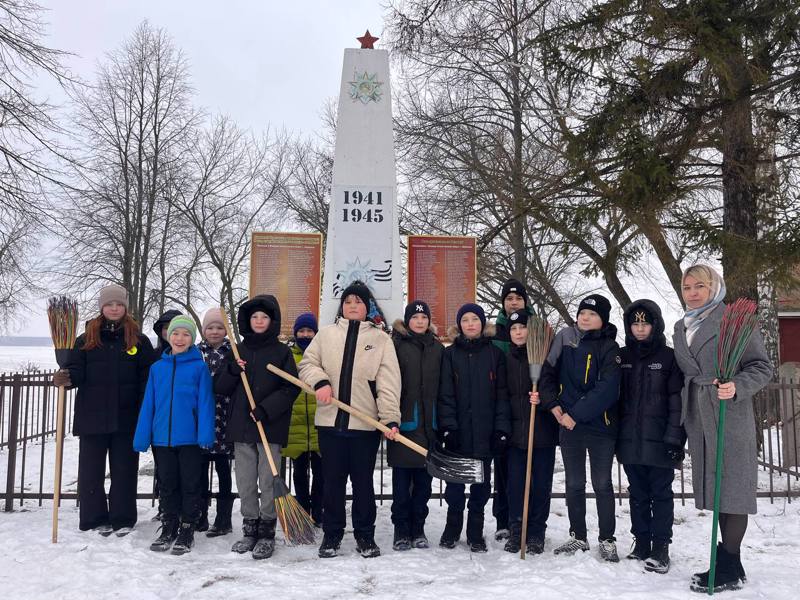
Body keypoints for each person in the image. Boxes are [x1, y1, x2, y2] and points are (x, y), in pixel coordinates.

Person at [672, 265, 772, 593]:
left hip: (730, 415)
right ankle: (732, 563)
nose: (693, 292)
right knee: (717, 492)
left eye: (700, 285)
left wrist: (736, 386)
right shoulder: (680, 327)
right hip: (699, 417)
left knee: (733, 492)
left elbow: (761, 366)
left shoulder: (735, 321)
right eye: (687, 287)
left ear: (715, 287)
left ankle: (727, 564)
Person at [298, 281, 401, 559]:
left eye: (358, 301)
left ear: (368, 307)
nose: (353, 306)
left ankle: (365, 535)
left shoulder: (381, 340)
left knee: (363, 483)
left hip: (364, 425)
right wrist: (319, 382)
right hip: (330, 423)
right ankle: (331, 535)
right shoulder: (326, 335)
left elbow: (388, 383)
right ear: (341, 307)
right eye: (348, 302)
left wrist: (390, 418)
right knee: (332, 482)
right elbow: (307, 364)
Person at [54, 284, 154, 536]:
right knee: (90, 471)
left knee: (124, 470)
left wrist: (143, 410)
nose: (114, 308)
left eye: (119, 304)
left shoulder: (138, 340)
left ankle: (122, 518)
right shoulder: (85, 339)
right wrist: (66, 378)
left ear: (125, 308)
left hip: (126, 416)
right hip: (92, 415)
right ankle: (93, 517)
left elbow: (147, 379)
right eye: (109, 304)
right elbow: (76, 372)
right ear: (102, 307)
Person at [214, 295, 299, 560]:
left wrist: (265, 409)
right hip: (241, 427)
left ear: (271, 321)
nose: (259, 321)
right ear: (247, 321)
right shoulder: (237, 351)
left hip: (268, 426)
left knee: (268, 478)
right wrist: (231, 370)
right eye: (254, 317)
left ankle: (267, 530)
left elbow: (290, 388)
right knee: (246, 480)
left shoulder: (281, 352)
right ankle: (249, 527)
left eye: (264, 317)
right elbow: (220, 388)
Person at [540, 293, 622, 562]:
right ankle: (578, 536)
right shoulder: (565, 339)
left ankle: (607, 539)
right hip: (567, 425)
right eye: (582, 313)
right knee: (574, 483)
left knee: (602, 483)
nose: (585, 318)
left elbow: (607, 389)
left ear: (603, 320)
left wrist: (575, 415)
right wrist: (553, 406)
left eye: (593, 314)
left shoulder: (610, 347)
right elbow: (547, 374)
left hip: (600, 426)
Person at [133, 315, 215, 555]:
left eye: (186, 334)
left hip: (189, 438)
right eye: (176, 334)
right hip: (161, 439)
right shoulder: (157, 368)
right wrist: (142, 436)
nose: (180, 338)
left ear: (192, 339)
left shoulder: (199, 367)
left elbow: (206, 403)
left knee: (190, 484)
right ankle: (169, 525)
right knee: (167, 484)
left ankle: (187, 527)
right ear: (168, 336)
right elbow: (149, 403)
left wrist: (205, 434)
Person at [617, 300, 684, 573]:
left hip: (660, 441)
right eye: (635, 323)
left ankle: (660, 547)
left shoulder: (669, 358)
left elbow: (676, 400)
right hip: (630, 440)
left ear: (655, 325)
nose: (640, 328)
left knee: (661, 494)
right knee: (637, 494)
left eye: (645, 323)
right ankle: (641, 542)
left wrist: (674, 439)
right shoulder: (622, 357)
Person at [438, 303, 511, 553]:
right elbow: (445, 395)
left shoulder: (494, 355)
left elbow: (502, 396)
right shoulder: (450, 355)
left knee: (481, 486)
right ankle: (452, 528)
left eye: (475, 319)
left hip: (485, 433)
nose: (470, 324)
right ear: (459, 325)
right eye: (465, 320)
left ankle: (475, 531)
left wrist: (501, 430)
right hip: (458, 432)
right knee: (455, 486)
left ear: (482, 323)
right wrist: (449, 427)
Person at [503, 309, 559, 555]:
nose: (518, 332)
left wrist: (543, 399)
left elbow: (556, 387)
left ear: (531, 331)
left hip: (542, 432)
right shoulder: (505, 360)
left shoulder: (545, 358)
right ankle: (517, 530)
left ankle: (536, 532)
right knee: (516, 484)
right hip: (516, 435)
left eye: (522, 328)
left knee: (540, 484)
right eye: (514, 329)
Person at [389, 300, 443, 550]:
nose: (420, 322)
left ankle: (418, 528)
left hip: (429, 425)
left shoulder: (437, 348)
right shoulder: (396, 345)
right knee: (401, 484)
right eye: (415, 318)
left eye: (424, 318)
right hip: (404, 423)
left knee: (423, 484)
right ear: (407, 321)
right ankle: (401, 529)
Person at [490, 279, 533, 539]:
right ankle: (503, 520)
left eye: (517, 298)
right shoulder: (495, 332)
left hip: (529, 409)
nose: (513, 302)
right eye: (508, 298)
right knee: (503, 469)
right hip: (503, 407)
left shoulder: (536, 329)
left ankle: (527, 520)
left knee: (526, 472)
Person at [282, 312, 324, 527]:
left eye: (309, 331)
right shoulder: (289, 356)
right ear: (296, 333)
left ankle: (319, 511)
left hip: (319, 423)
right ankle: (303, 509)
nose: (305, 335)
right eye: (302, 331)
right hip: (296, 424)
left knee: (320, 473)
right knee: (299, 472)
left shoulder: (322, 355)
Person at [196, 308, 235, 537]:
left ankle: (224, 519)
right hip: (203, 418)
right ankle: (200, 515)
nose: (215, 332)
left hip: (225, 417)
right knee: (200, 472)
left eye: (219, 328)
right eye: (210, 328)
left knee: (223, 472)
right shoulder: (197, 352)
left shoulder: (233, 352)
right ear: (204, 330)